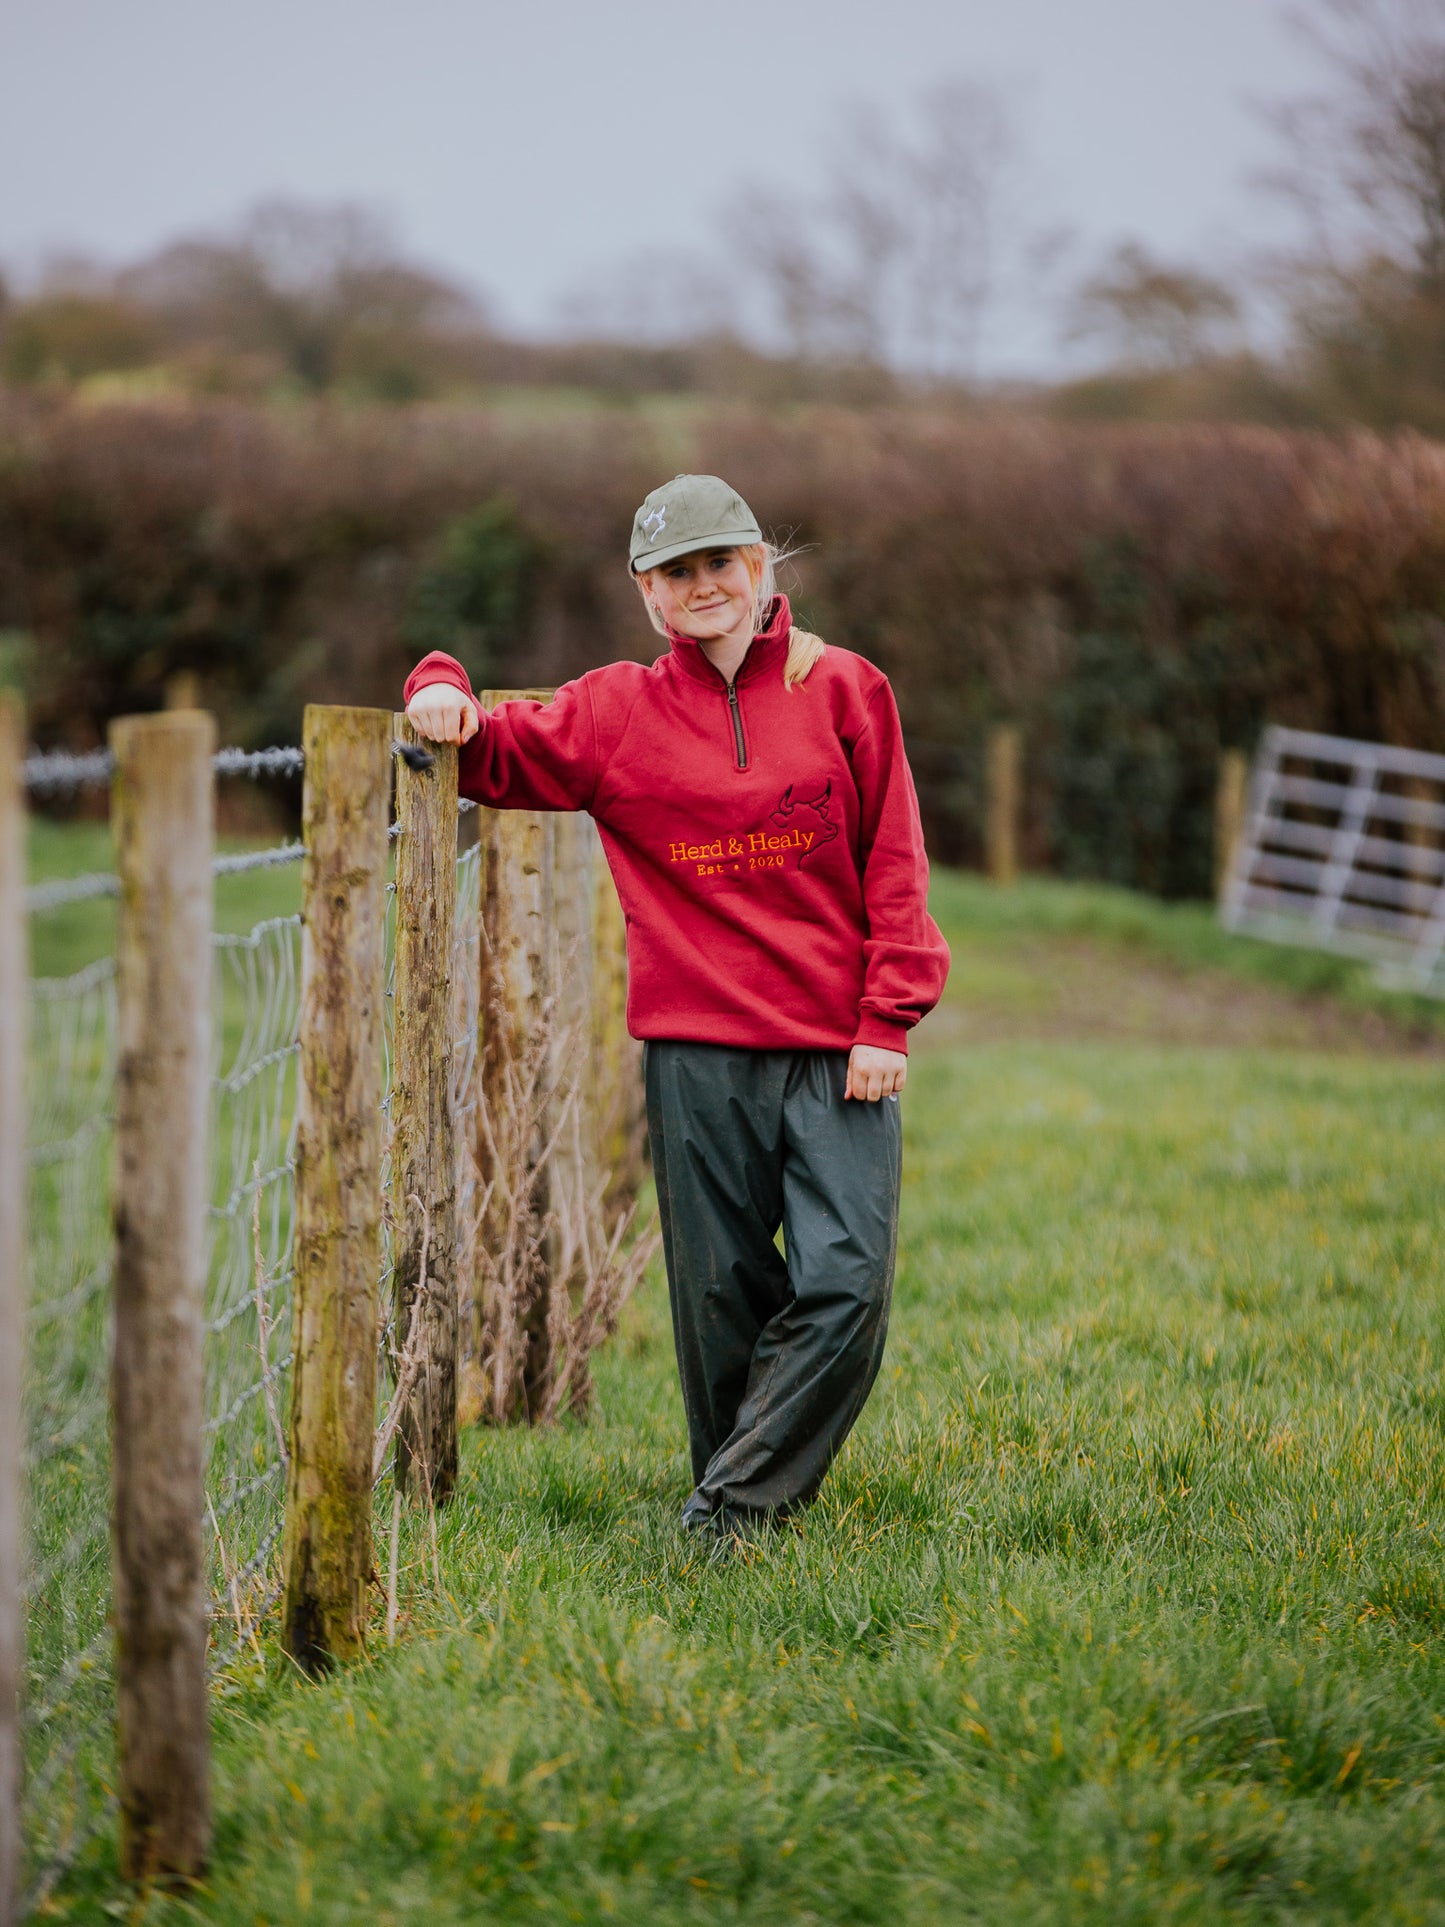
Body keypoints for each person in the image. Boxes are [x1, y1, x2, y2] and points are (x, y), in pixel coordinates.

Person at [404, 473, 950, 1546]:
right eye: (676, 573)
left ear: (758, 570)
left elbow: (894, 859)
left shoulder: (844, 688)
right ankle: (739, 1525)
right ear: (648, 597)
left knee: (845, 1286)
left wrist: (887, 1017)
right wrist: (438, 682)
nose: (703, 587)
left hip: (836, 1049)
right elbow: (487, 750)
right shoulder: (616, 711)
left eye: (720, 564)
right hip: (696, 1054)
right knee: (717, 1302)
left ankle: (725, 1507)